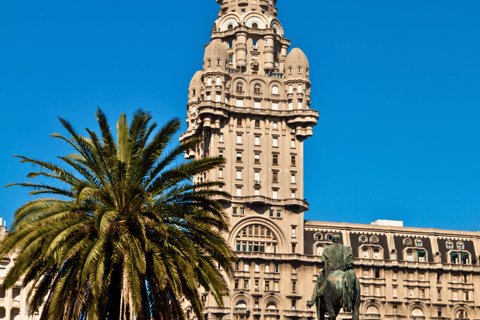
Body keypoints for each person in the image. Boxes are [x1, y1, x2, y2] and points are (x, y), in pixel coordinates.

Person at [307, 234, 354, 307]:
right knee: (352, 280)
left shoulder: (328, 248)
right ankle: (351, 296)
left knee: (318, 283)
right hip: (344, 271)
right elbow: (350, 261)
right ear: (340, 240)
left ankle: (312, 301)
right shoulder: (346, 248)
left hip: (330, 272)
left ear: (333, 240)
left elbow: (323, 260)